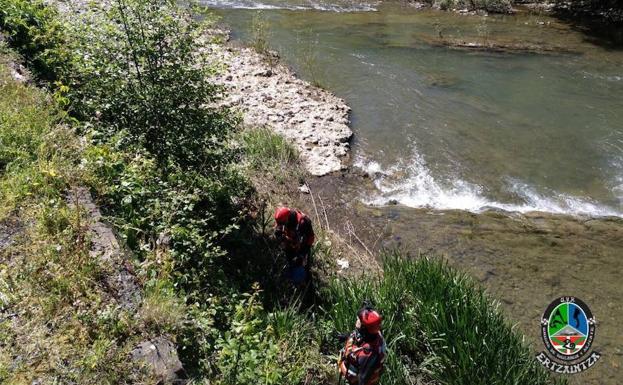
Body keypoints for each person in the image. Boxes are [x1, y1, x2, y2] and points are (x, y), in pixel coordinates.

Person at [338, 304, 386, 385]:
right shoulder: (372, 333)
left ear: (364, 328)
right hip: (348, 369)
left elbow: (363, 380)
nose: (357, 320)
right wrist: (347, 336)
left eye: (358, 320)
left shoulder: (368, 354)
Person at [273, 206, 315, 286]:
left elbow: (301, 243)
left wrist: (300, 255)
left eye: (282, 223)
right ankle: (291, 277)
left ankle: (304, 283)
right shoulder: (285, 218)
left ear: (287, 219)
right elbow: (280, 228)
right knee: (290, 257)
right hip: (293, 239)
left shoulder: (302, 223)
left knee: (301, 264)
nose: (280, 225)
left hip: (304, 244)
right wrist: (280, 235)